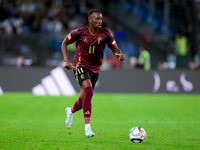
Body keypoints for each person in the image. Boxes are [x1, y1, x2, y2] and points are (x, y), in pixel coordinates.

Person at [61, 9, 125, 138]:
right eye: (97, 19)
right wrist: (66, 60)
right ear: (90, 20)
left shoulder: (106, 33)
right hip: (80, 65)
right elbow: (65, 43)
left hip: (95, 69)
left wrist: (118, 53)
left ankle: (70, 111)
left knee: (83, 98)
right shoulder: (79, 33)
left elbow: (114, 47)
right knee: (89, 91)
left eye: (101, 19)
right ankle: (88, 128)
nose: (100, 22)